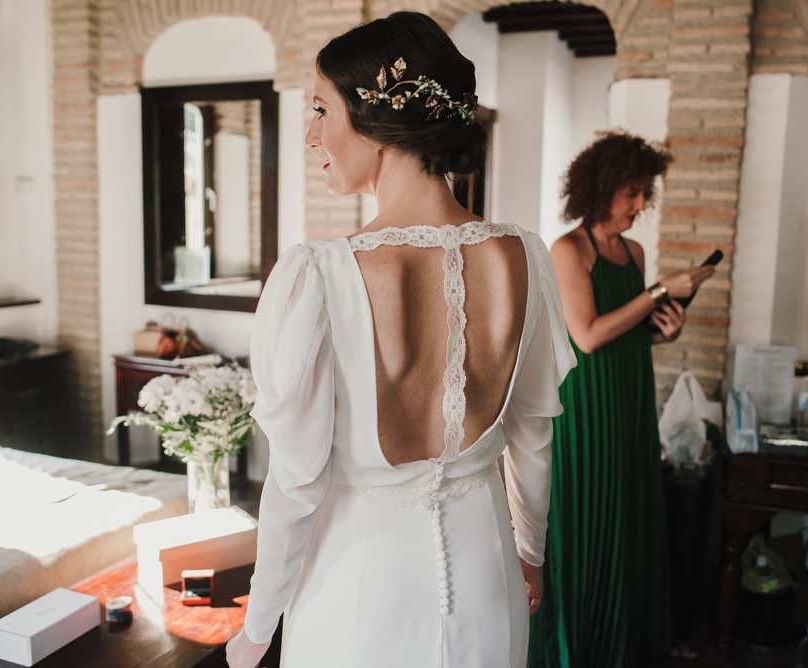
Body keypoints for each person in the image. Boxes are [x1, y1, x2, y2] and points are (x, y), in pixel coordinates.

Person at [225, 11, 576, 668]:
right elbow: (533, 437)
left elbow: (297, 480)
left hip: (358, 589)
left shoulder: (317, 276)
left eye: (322, 110)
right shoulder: (524, 256)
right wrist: (531, 557)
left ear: (375, 121)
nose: (310, 134)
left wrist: (258, 624)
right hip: (486, 574)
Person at [528, 131, 716, 667]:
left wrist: (665, 330)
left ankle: (625, 640)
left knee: (629, 515)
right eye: (632, 193)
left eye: (644, 194)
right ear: (601, 188)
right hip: (585, 405)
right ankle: (575, 646)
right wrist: (659, 290)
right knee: (582, 516)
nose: (640, 206)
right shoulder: (568, 249)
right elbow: (586, 335)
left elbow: (626, 329)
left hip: (628, 395)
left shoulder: (632, 251)